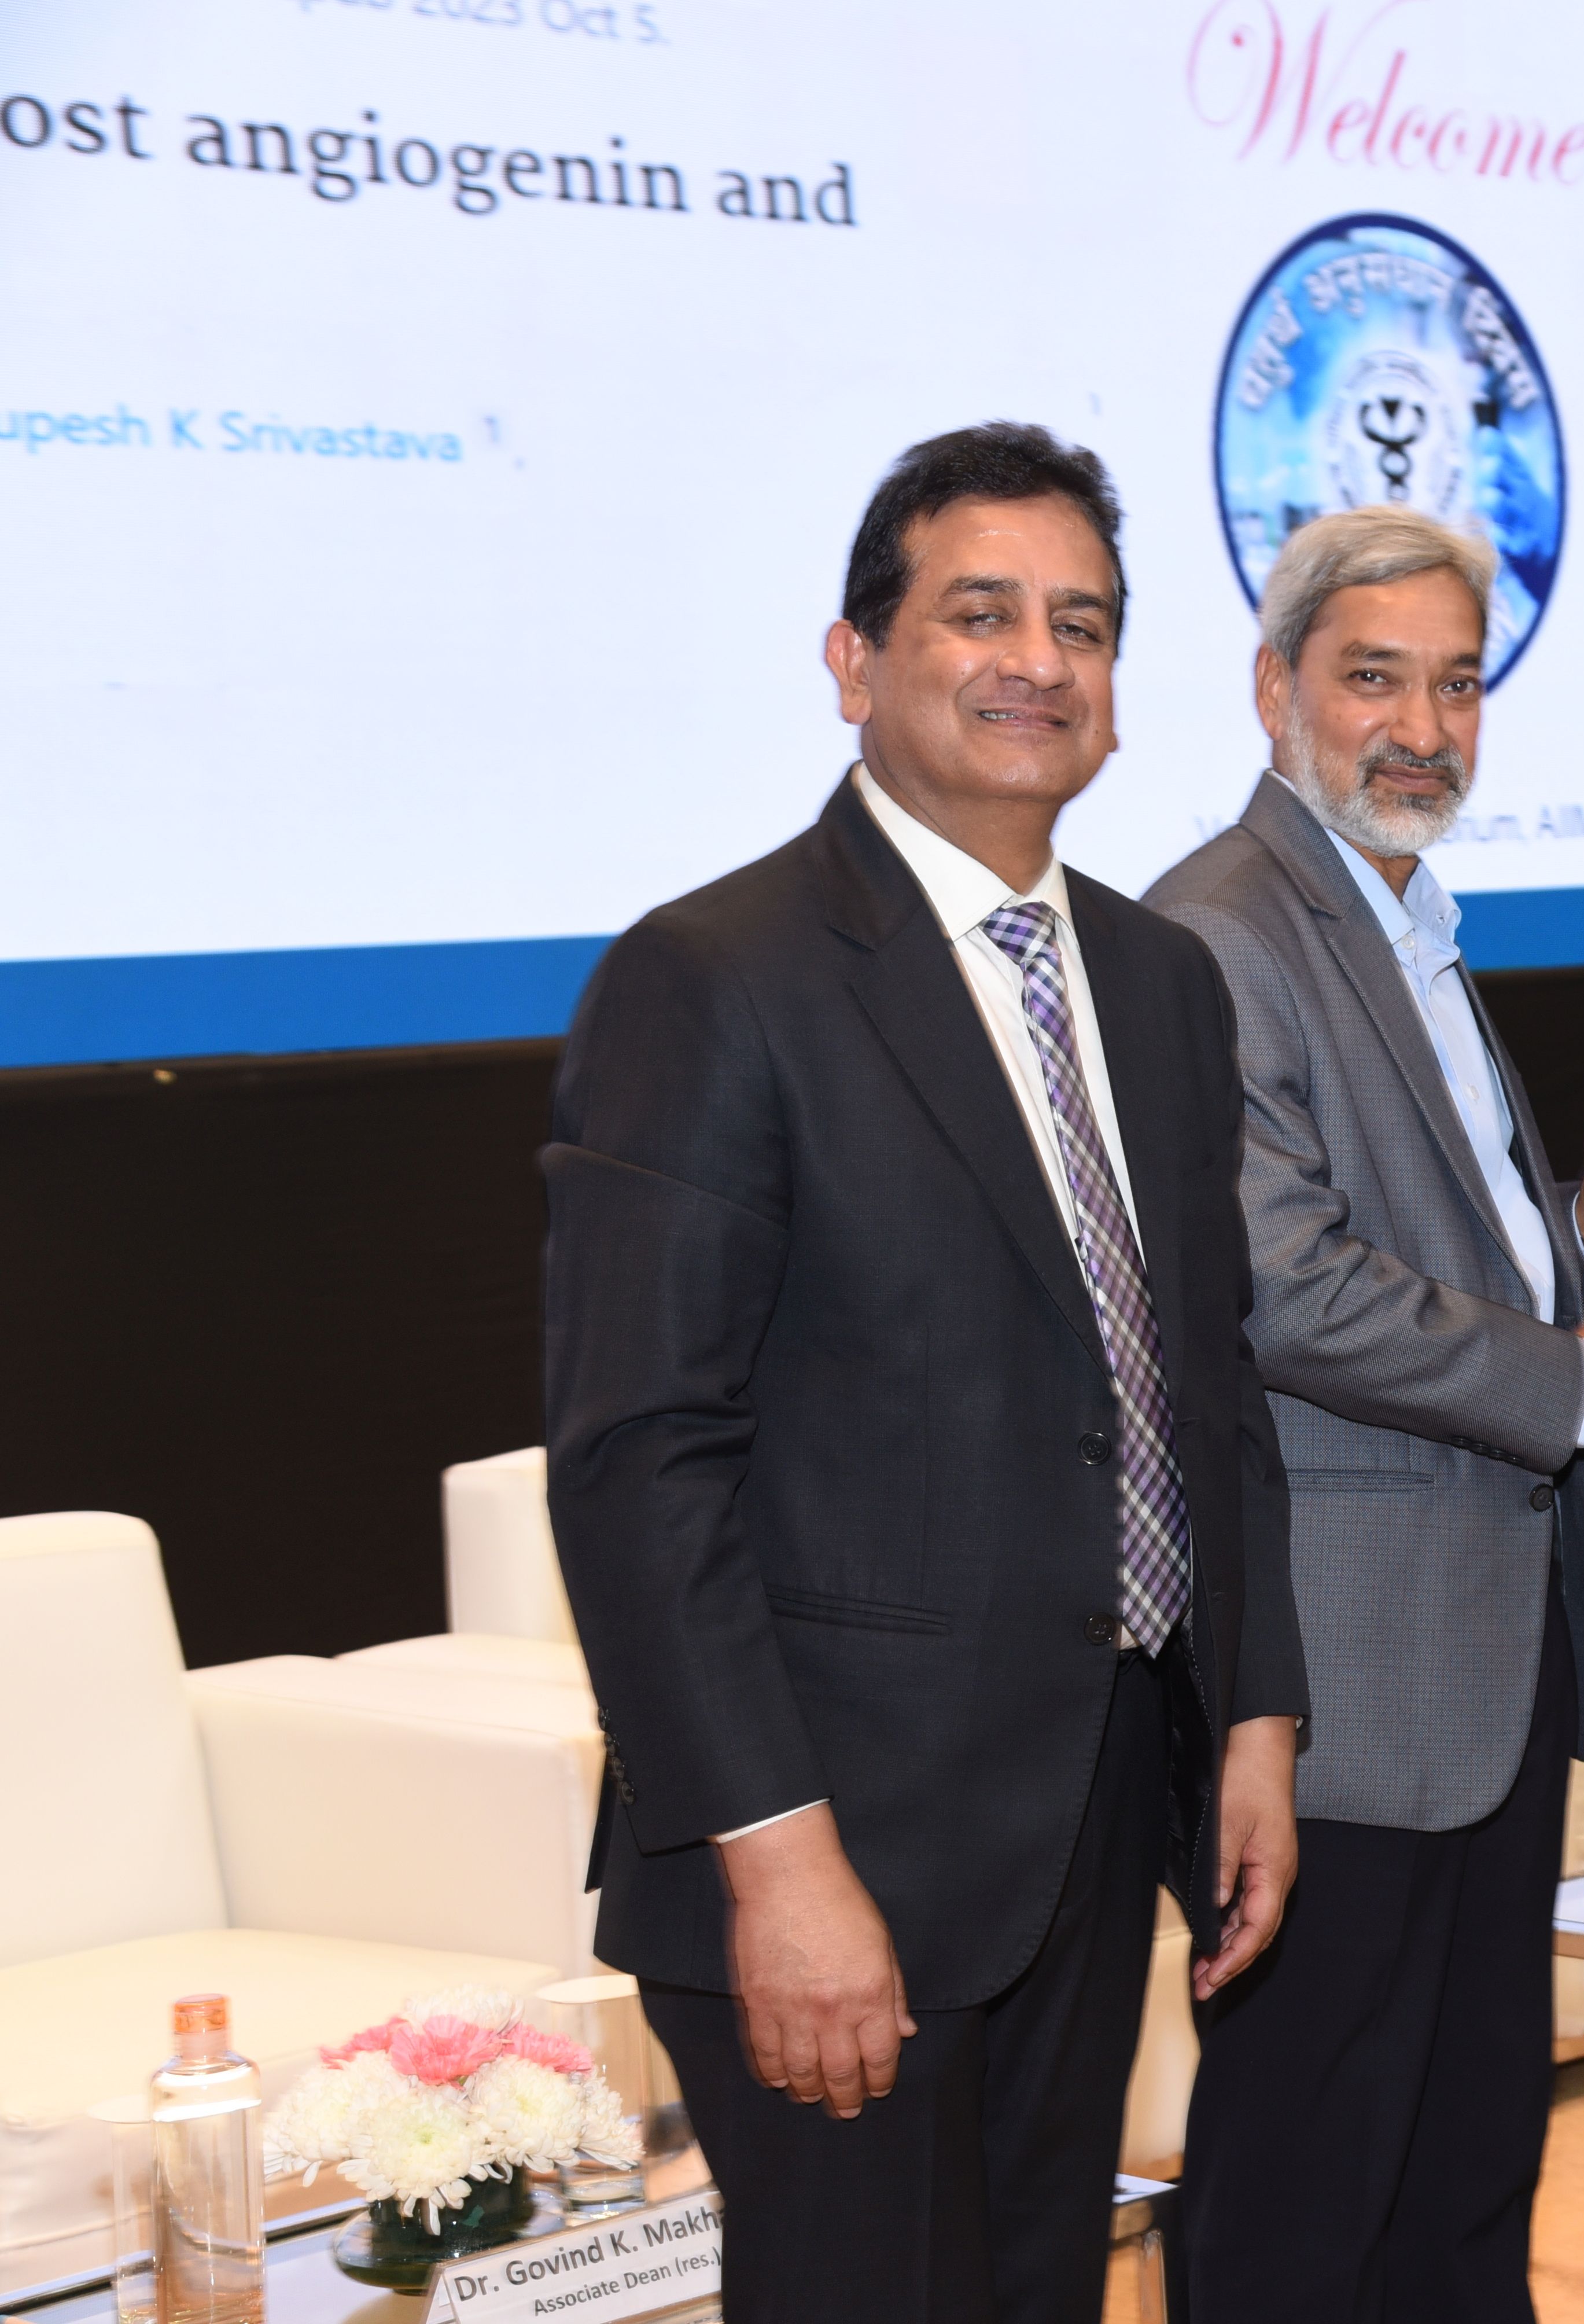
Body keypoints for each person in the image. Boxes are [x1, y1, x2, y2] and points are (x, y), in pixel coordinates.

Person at [543, 422, 1306, 2323]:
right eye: (982, 614)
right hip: (837, 1850)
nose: (1040, 661)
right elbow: (642, 1465)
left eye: (1083, 625)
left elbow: (1205, 1386)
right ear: (855, 659)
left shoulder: (1160, 982)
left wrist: (1254, 1720)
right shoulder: (715, 976)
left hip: (1091, 1819)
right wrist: (778, 1866)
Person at [1147, 508, 1584, 2316]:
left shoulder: (1408, 915)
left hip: (1484, 1662)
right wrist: (1574, 1373)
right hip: (1343, 1688)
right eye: (1373, 678)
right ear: (1274, 689)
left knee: (1460, 2187)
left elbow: (1434, 1239)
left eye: (1457, 685)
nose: (1423, 728)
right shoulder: (1222, 932)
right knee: (1302, 2206)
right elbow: (1283, 1283)